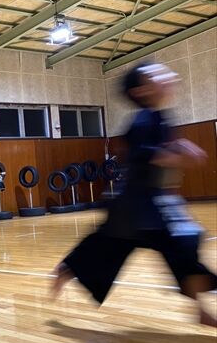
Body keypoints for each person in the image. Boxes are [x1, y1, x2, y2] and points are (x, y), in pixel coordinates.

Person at [51, 63, 217, 326]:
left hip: (151, 204)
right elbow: (146, 155)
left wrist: (180, 147)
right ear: (141, 91)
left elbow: (164, 149)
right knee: (126, 246)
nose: (167, 76)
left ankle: (201, 310)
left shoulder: (160, 118)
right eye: (155, 75)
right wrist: (179, 154)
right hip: (135, 207)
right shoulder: (142, 120)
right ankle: (68, 268)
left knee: (177, 244)